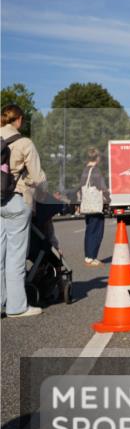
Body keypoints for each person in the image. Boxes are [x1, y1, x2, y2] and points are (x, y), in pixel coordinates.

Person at [1, 104, 46, 318]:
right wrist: (27, 180)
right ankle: (17, 306)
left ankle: (1, 302)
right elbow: (38, 178)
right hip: (14, 200)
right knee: (15, 257)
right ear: (18, 120)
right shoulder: (24, 142)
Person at [80, 147, 109, 266]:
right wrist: (108, 198)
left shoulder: (84, 171)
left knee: (89, 231)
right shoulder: (96, 171)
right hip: (96, 206)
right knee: (97, 231)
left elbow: (81, 187)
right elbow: (102, 187)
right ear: (97, 158)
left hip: (87, 204)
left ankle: (88, 256)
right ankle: (92, 256)